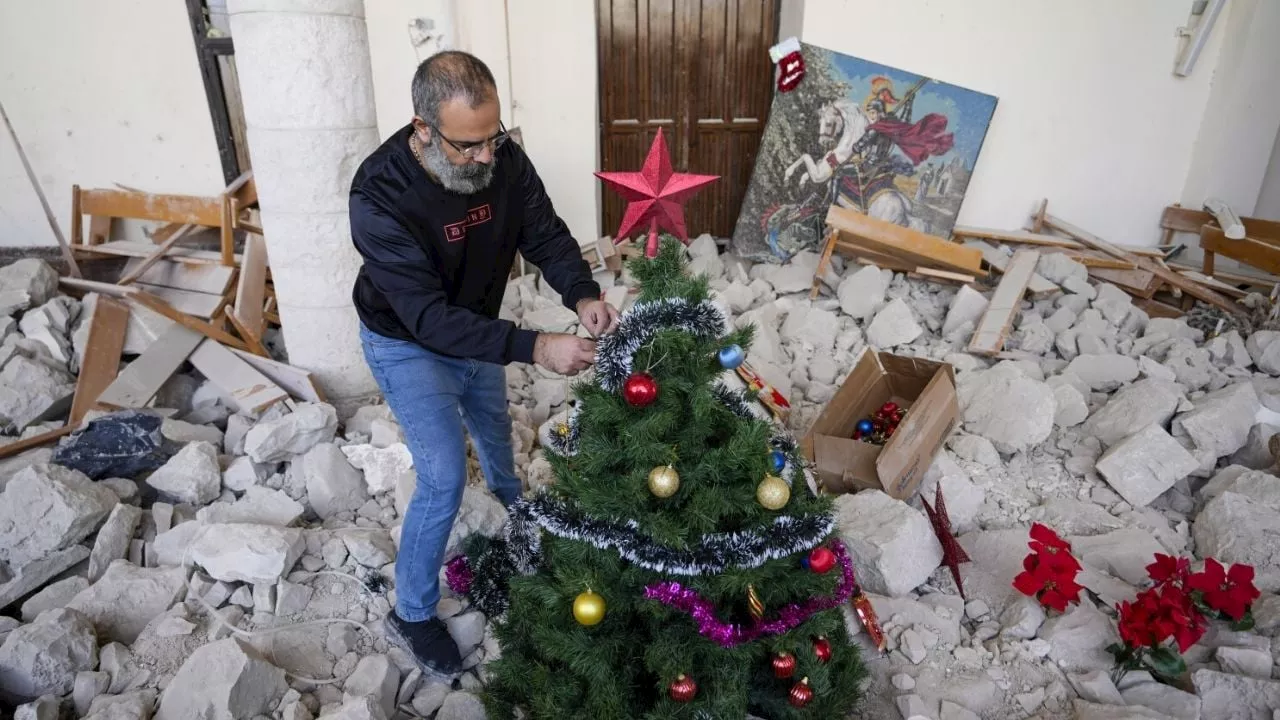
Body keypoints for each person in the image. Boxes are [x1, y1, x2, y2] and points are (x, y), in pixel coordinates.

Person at [349, 50, 619, 678]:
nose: (484, 157)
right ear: (423, 129)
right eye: (467, 146)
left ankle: (511, 510)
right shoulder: (378, 193)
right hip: (407, 342)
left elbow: (546, 234)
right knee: (443, 478)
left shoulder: (504, 161)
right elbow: (427, 319)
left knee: (495, 430)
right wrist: (535, 346)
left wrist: (581, 294)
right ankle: (412, 612)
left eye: (491, 138)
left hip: (477, 332)